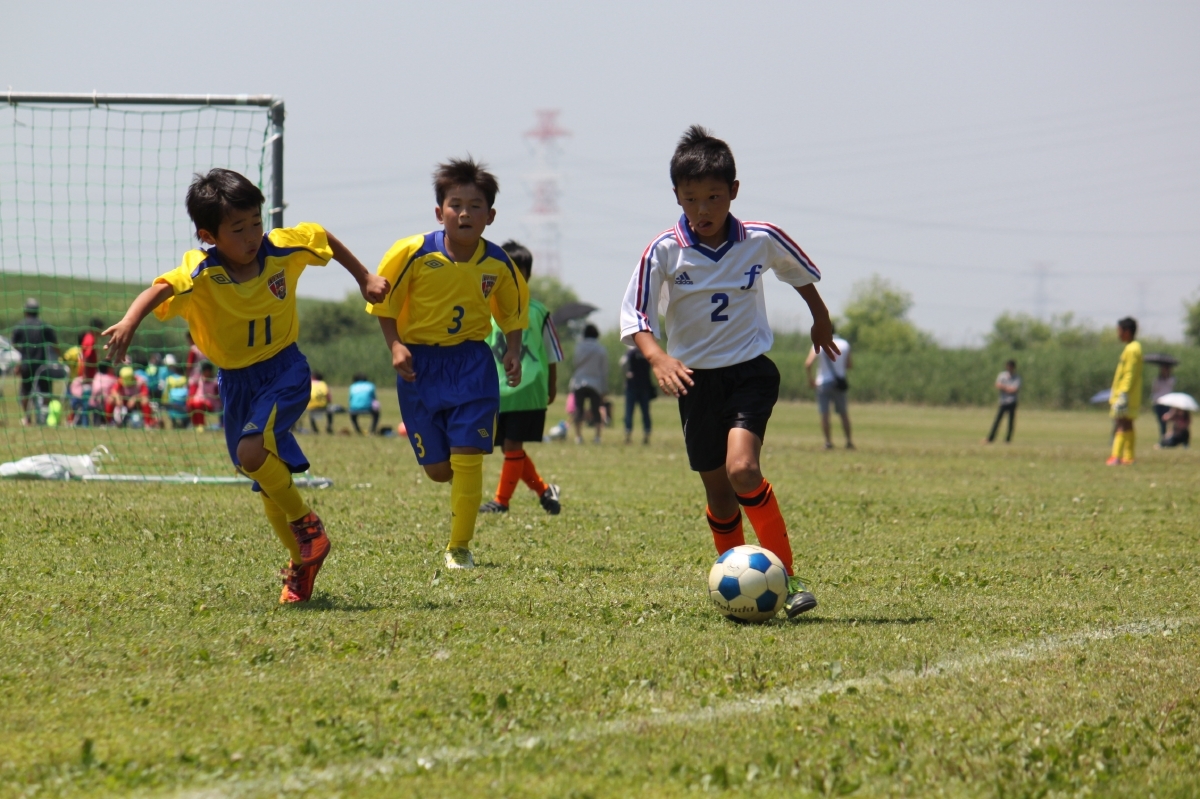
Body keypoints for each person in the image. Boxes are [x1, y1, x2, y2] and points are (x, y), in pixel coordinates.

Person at [103, 167, 388, 603]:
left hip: (284, 370)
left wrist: (364, 277)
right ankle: (302, 564)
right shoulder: (201, 271)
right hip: (236, 383)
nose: (252, 235)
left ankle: (308, 526)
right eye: (238, 229)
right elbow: (160, 289)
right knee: (261, 475)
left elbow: (323, 238)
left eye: (256, 221)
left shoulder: (281, 248)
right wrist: (129, 320)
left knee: (251, 454)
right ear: (209, 235)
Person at [620, 125, 836, 618]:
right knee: (719, 496)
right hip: (695, 381)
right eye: (691, 198)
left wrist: (820, 317)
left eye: (714, 197)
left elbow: (798, 274)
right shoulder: (664, 250)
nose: (703, 209)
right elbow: (636, 317)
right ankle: (734, 584)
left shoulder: (760, 238)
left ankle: (789, 577)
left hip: (749, 372)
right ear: (676, 195)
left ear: (733, 191)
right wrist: (658, 358)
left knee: (743, 470)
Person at [368, 158, 527, 570]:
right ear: (440, 212)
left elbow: (513, 312)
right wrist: (395, 345)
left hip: (472, 364)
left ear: (490, 216)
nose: (465, 213)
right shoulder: (412, 252)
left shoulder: (499, 263)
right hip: (419, 367)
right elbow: (384, 303)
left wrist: (512, 350)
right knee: (440, 470)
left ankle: (459, 547)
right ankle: (460, 482)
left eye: (475, 206)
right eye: (456, 205)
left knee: (468, 455)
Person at [479, 240, 564, 515]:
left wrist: (551, 385)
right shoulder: (485, 309)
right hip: (496, 391)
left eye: (519, 271)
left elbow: (552, 352)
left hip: (528, 390)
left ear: (527, 274)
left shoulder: (538, 312)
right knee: (509, 448)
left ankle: (501, 501)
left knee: (512, 445)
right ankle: (544, 490)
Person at [804, 323, 853, 449]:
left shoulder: (819, 344)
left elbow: (808, 363)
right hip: (839, 382)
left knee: (825, 414)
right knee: (843, 413)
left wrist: (811, 380)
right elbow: (849, 365)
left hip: (823, 382)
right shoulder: (845, 344)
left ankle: (828, 442)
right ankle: (849, 441)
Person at [11, 297, 59, 425]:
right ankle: (44, 417)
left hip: (26, 364)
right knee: (46, 391)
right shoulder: (44, 326)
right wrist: (60, 357)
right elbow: (55, 344)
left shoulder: (20, 326)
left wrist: (20, 357)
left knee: (25, 392)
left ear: (25, 311)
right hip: (42, 365)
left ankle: (27, 418)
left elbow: (13, 345)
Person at [1107, 317, 1143, 466]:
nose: (1118, 334)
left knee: (1121, 423)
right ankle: (1129, 457)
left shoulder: (1132, 349)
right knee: (1128, 424)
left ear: (1127, 332)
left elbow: (1130, 373)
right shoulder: (1133, 347)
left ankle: (1116, 456)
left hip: (1126, 395)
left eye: (1119, 331)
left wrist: (1123, 393)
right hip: (1129, 394)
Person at [570, 324, 608, 444]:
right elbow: (604, 370)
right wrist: (604, 389)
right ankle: (597, 437)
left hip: (579, 382)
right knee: (596, 410)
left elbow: (575, 363)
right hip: (595, 383)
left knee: (579, 410)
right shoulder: (601, 349)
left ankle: (578, 436)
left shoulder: (579, 347)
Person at [621, 345, 656, 445]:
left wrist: (626, 374)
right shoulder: (647, 351)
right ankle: (646, 435)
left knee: (629, 412)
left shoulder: (631, 352)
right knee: (645, 412)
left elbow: (622, 363)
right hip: (644, 386)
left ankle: (628, 435)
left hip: (632, 386)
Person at [984, 360, 1021, 444]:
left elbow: (1015, 389)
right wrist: (1008, 388)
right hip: (1003, 401)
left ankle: (1008, 439)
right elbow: (997, 385)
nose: (1009, 368)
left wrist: (1004, 387)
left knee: (1011, 422)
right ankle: (991, 438)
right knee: (997, 420)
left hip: (1012, 401)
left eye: (1011, 367)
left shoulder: (1017, 377)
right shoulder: (1002, 375)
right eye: (1008, 366)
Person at [187, 361, 223, 429]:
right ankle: (196, 424)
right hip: (199, 400)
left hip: (211, 404)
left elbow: (218, 396)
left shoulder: (215, 382)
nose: (205, 373)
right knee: (191, 403)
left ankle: (201, 425)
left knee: (198, 404)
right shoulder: (200, 380)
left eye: (206, 371)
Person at [1150, 363, 1176, 439]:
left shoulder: (1171, 379)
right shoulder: (1157, 380)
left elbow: (1171, 387)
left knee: (1169, 420)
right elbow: (1154, 389)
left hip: (1167, 402)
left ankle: (1170, 436)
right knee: (1161, 421)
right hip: (1158, 402)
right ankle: (1163, 437)